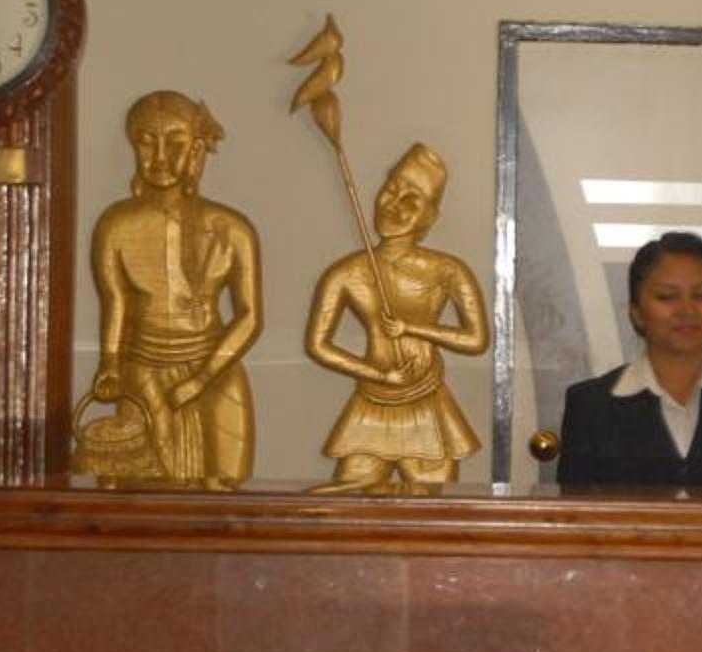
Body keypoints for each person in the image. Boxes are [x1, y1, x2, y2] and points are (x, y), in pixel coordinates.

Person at [80, 91, 261, 489]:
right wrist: (109, 365)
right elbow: (115, 302)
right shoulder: (115, 225)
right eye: (147, 142)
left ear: (196, 149)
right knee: (143, 486)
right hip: (143, 366)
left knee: (222, 481)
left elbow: (249, 317)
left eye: (175, 143)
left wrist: (201, 378)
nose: (160, 157)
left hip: (214, 366)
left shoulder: (232, 228)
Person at [304, 142, 489, 494]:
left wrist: (412, 327)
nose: (394, 205)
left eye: (411, 201)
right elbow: (318, 344)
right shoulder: (345, 273)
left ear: (430, 217)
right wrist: (378, 374)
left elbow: (476, 340)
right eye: (390, 190)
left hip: (427, 403)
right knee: (346, 505)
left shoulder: (447, 270)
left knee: (431, 513)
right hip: (371, 402)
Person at [555, 230, 702, 489]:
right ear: (636, 312)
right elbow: (576, 511)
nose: (687, 310)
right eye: (667, 297)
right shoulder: (590, 406)